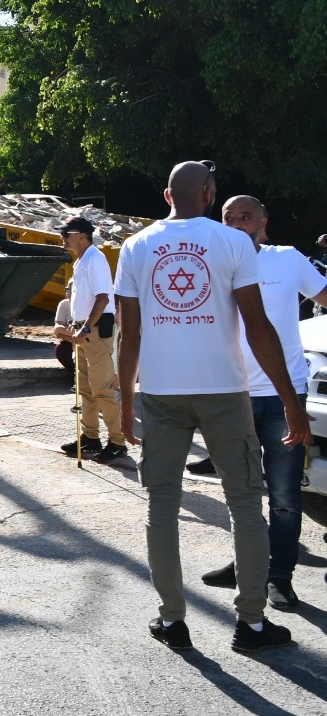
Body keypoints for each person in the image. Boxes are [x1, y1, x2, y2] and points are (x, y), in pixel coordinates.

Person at [115, 161, 310, 654]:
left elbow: (128, 334)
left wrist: (124, 401)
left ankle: (172, 620)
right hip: (225, 391)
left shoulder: (137, 246)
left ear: (166, 196)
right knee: (244, 503)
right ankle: (251, 624)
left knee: (161, 504)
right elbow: (257, 325)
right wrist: (291, 401)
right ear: (208, 193)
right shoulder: (234, 243)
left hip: (160, 393)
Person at [198, 195, 327, 610]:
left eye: (245, 216)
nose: (236, 223)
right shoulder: (213, 265)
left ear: (264, 222)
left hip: (283, 395)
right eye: (228, 217)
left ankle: (279, 578)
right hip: (231, 395)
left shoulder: (288, 259)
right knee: (241, 491)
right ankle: (245, 565)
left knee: (286, 495)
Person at [58, 216, 127, 461]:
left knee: (103, 390)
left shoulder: (95, 260)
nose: (63, 238)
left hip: (95, 331)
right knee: (85, 389)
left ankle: (117, 441)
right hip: (85, 330)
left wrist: (85, 328)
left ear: (83, 236)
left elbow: (103, 298)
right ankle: (91, 437)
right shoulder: (81, 261)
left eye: (67, 233)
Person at [52, 284, 76, 374]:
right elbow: (57, 330)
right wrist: (72, 339)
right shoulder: (64, 304)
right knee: (61, 349)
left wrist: (70, 333)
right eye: (67, 290)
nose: (69, 293)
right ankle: (74, 377)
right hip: (73, 341)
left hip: (91, 341)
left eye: (72, 290)